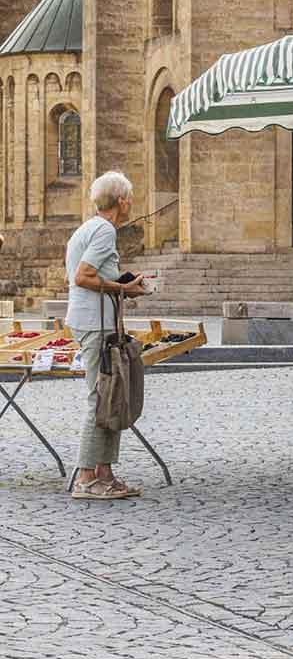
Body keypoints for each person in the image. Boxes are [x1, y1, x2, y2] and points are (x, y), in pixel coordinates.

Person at [66, 171, 149, 500]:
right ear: (122, 201)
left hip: (94, 320)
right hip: (95, 323)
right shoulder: (103, 230)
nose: (132, 202)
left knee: (111, 396)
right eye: (130, 196)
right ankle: (86, 478)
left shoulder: (88, 228)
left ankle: (105, 473)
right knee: (100, 398)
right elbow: (82, 277)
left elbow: (90, 275)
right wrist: (122, 287)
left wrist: (123, 287)